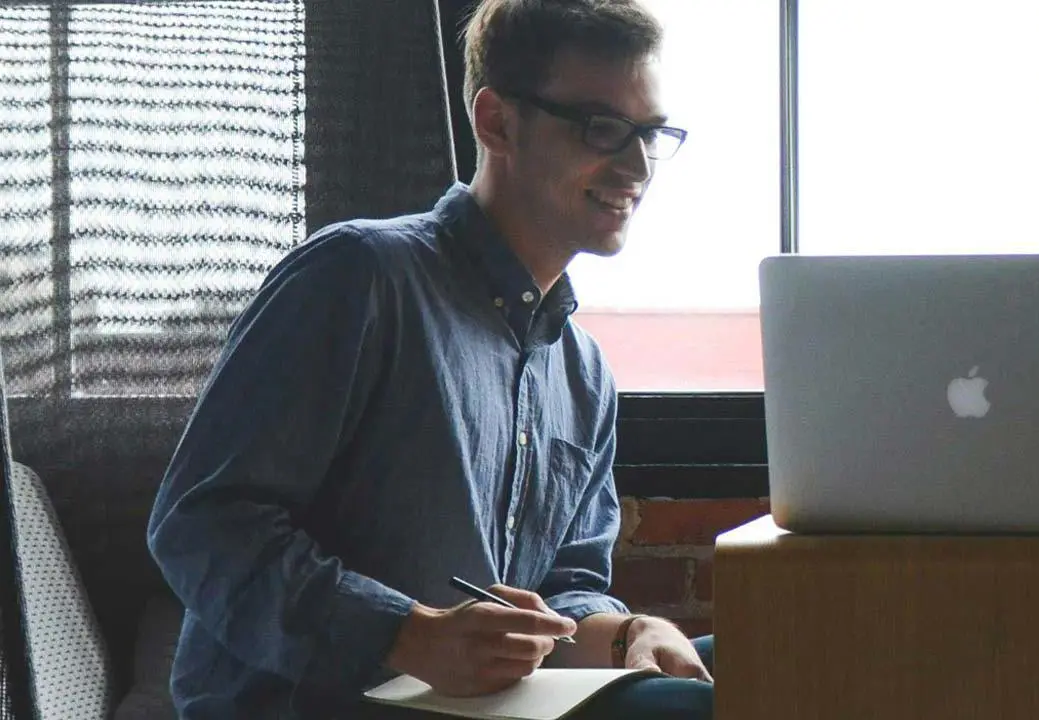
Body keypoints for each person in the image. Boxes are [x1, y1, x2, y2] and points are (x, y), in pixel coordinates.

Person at [146, 1, 714, 717]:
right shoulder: (357, 276)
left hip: (485, 707)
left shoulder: (583, 372)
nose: (636, 164)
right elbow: (200, 524)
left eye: (651, 133)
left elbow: (564, 592)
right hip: (311, 707)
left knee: (764, 667)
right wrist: (407, 634)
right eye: (603, 128)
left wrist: (629, 630)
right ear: (496, 122)